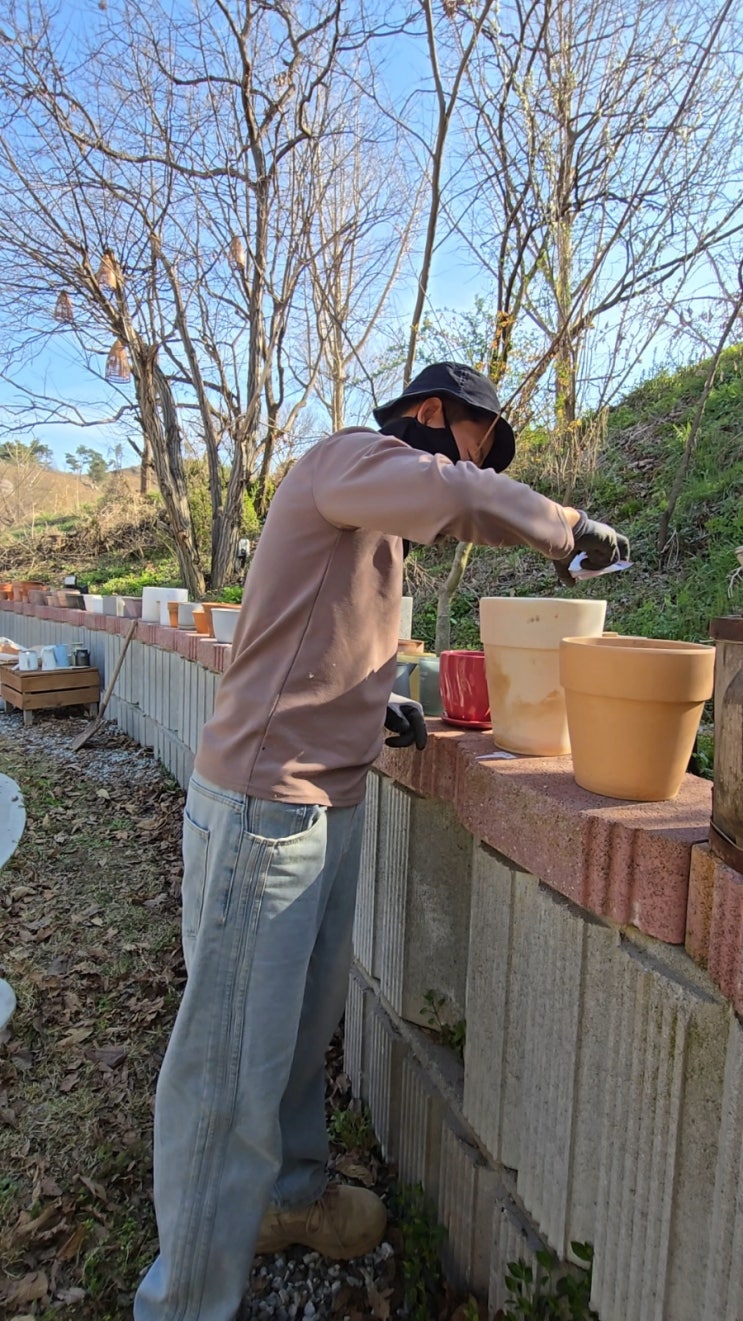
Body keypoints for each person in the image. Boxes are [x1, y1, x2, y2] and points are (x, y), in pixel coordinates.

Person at [134, 361, 629, 1321]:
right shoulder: (349, 458)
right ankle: (182, 1301)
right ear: (431, 416)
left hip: (324, 801)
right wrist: (564, 526)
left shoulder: (371, 522)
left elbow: (316, 636)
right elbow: (453, 494)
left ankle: (285, 1199)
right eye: (472, 449)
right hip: (264, 807)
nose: (471, 470)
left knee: (294, 1034)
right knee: (230, 1068)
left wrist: (378, 707)